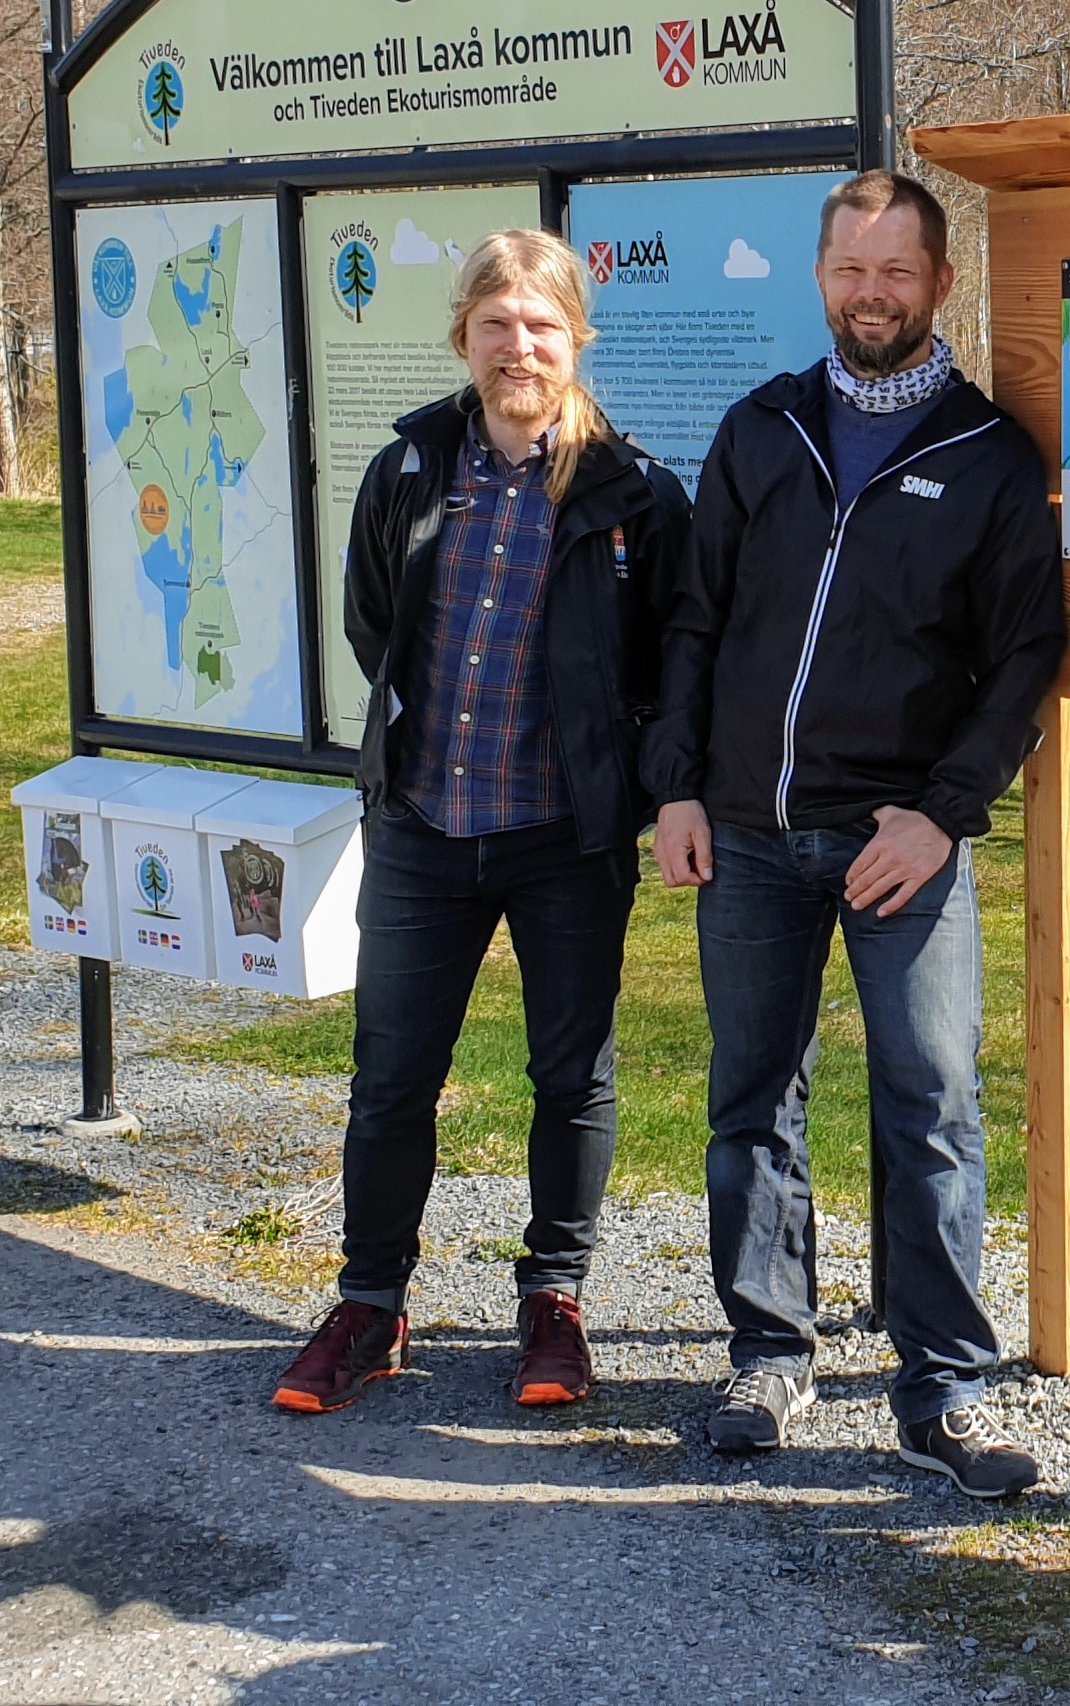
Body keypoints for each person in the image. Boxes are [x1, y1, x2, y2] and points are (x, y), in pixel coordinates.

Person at [642, 170, 1069, 1498]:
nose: (870, 292)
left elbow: (1023, 661)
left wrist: (945, 817)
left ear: (942, 283)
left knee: (931, 1105)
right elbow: (694, 624)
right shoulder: (761, 429)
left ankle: (940, 1388)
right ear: (818, 274)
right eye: (849, 267)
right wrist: (677, 787)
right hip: (752, 841)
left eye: (897, 270)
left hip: (903, 847)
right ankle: (770, 1354)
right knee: (750, 1097)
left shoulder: (991, 457)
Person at [273, 230, 691, 1418]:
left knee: (571, 1077)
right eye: (497, 324)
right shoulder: (410, 469)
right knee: (391, 1079)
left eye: (542, 325)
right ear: (464, 334)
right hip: (424, 828)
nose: (520, 346)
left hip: (568, 838)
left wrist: (637, 780)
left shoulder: (636, 495)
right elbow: (374, 623)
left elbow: (671, 659)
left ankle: (554, 1302)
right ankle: (370, 1306)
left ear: (577, 341)